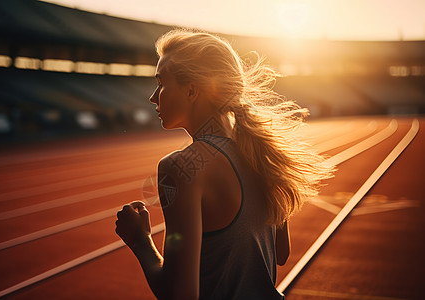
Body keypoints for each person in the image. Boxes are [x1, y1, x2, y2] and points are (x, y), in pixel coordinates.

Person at [115, 29, 334, 300]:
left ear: (192, 90)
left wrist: (140, 241)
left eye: (161, 83)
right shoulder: (262, 154)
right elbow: (280, 253)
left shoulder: (181, 168)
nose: (153, 96)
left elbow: (180, 295)